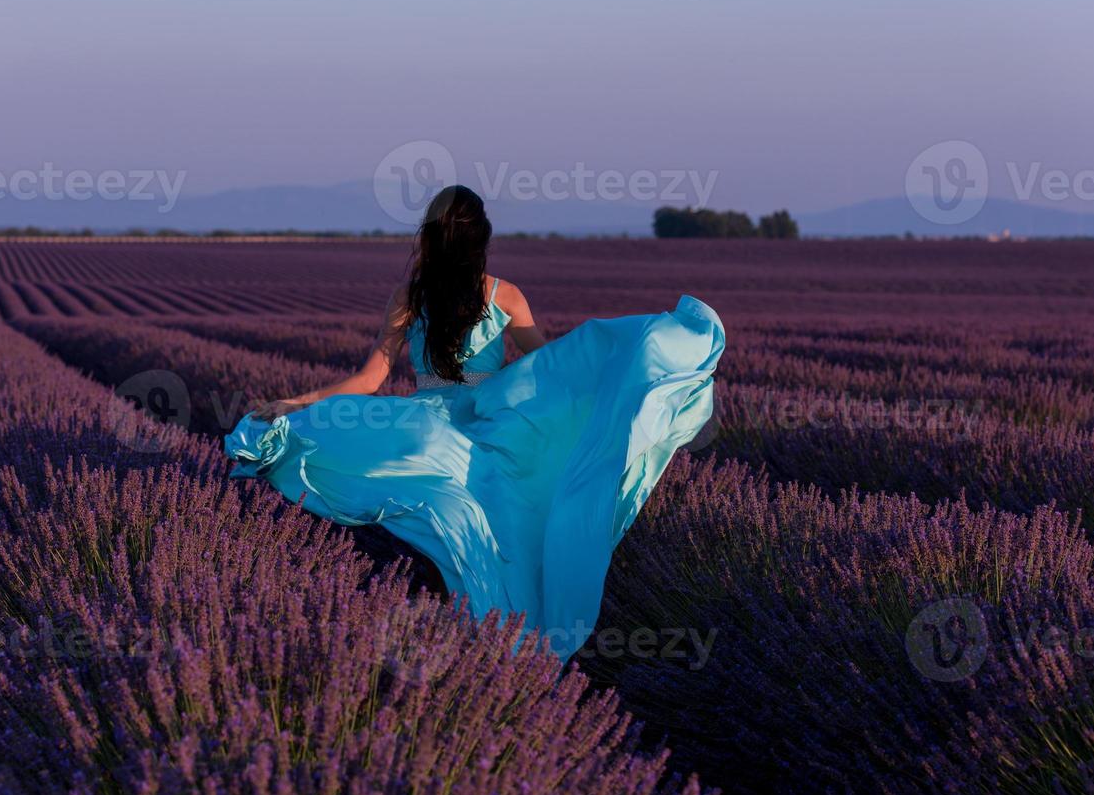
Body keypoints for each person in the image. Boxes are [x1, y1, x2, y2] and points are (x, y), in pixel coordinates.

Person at [226, 186, 724, 659]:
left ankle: (456, 634)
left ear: (430, 238)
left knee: (441, 521)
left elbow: (370, 379)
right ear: (480, 241)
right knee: (511, 538)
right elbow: (551, 372)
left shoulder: (410, 295)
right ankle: (507, 648)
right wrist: (620, 376)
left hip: (425, 429)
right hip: (492, 434)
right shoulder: (505, 296)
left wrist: (298, 403)